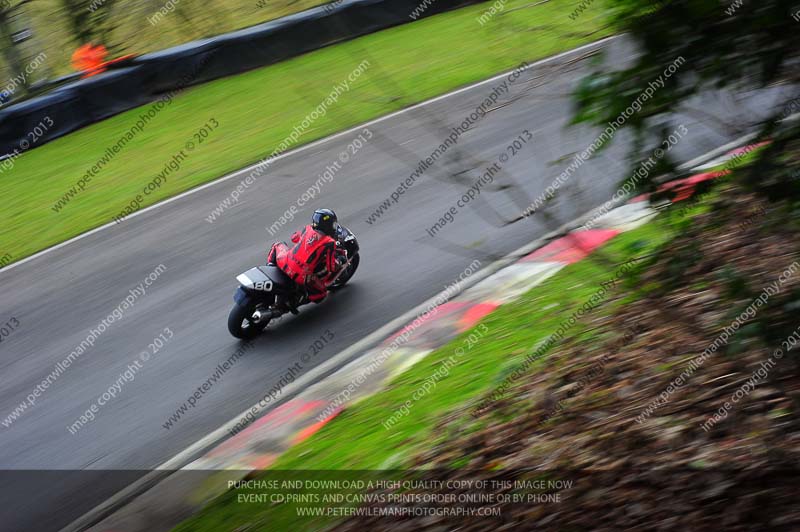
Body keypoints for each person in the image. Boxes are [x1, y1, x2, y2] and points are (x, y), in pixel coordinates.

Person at [267, 208, 346, 311]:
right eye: (332, 224)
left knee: (277, 245)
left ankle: (270, 267)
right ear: (327, 225)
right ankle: (299, 299)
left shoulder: (307, 228)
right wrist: (340, 261)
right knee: (321, 294)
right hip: (302, 276)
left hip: (285, 261)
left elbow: (294, 238)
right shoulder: (330, 242)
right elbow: (331, 267)